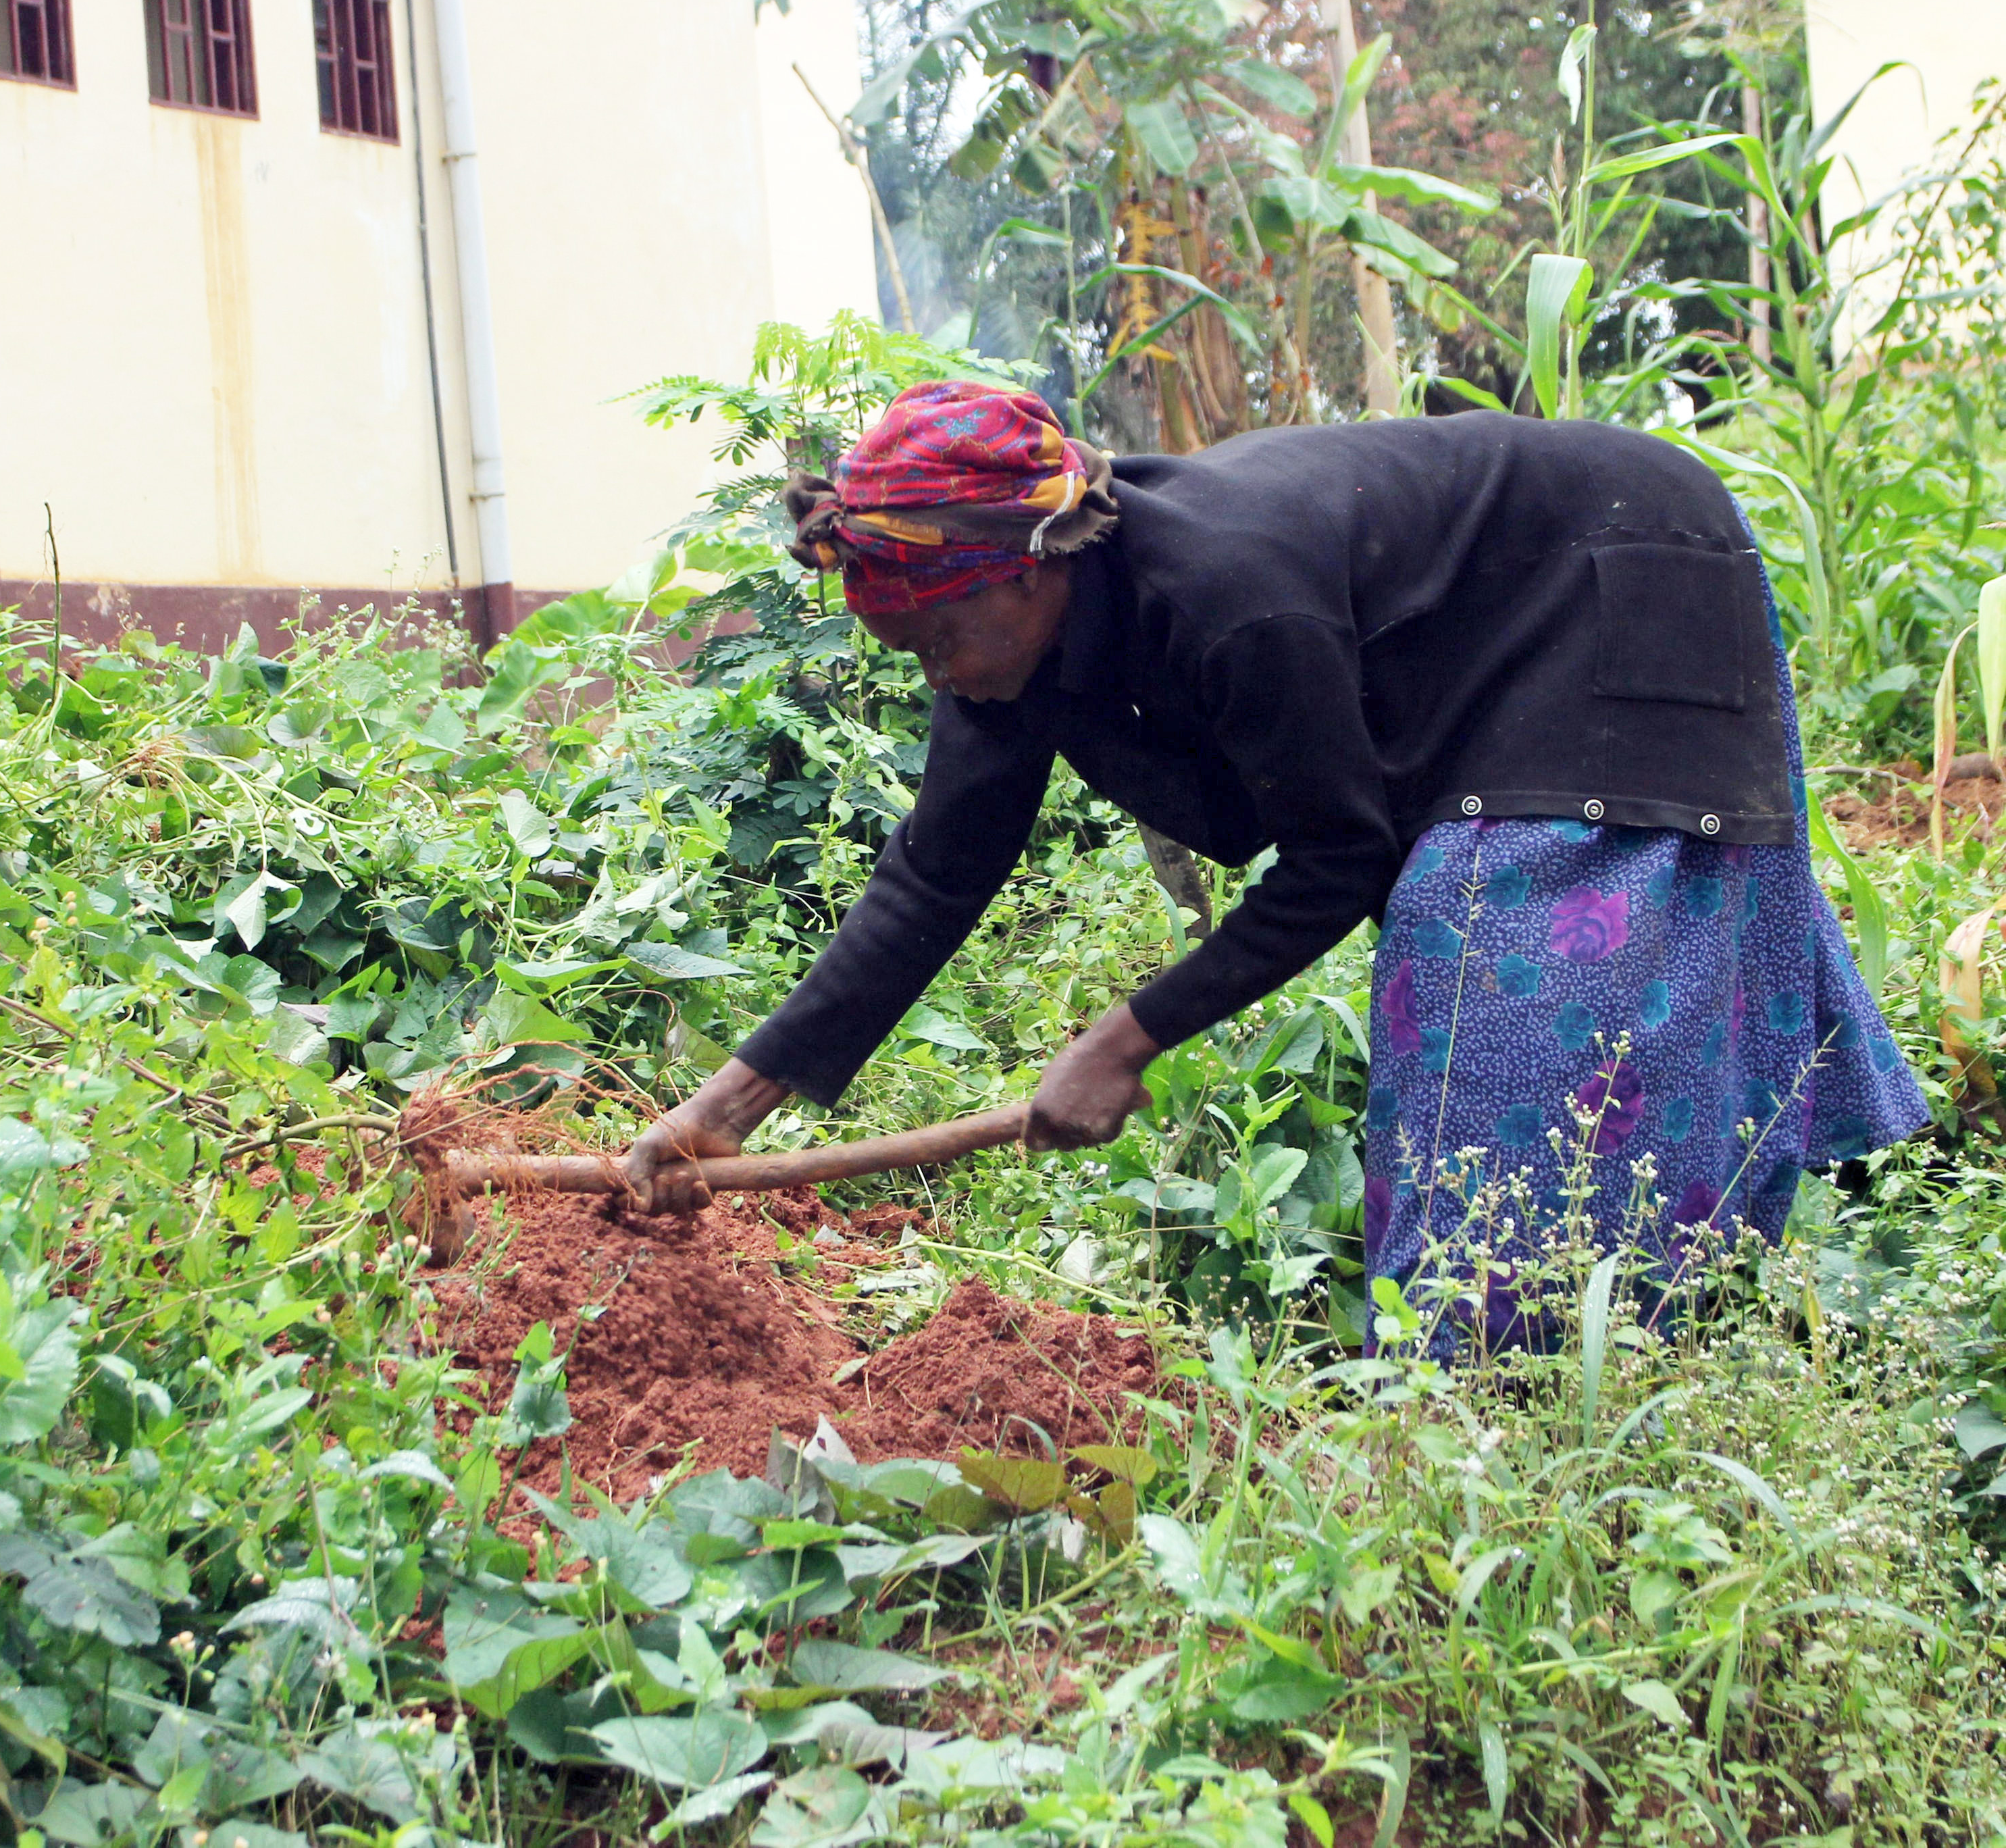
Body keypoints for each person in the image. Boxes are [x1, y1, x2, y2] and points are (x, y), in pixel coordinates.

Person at [623, 380, 1924, 1353]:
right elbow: (932, 877)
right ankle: (1553, 1348)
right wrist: (718, 1113)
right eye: (915, 654)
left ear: (1033, 570)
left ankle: (1509, 1381)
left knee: (1487, 948)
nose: (943, 674)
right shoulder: (1002, 637)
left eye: (947, 635)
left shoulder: (1225, 592)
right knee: (1481, 958)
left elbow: (1338, 856)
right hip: (1486, 648)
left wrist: (1128, 1037)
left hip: (1624, 572)